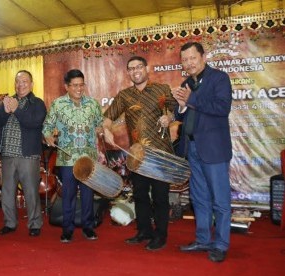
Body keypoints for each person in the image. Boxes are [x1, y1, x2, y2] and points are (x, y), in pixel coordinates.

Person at [103, 56, 177, 251]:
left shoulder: (162, 89)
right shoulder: (124, 95)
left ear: (146, 68)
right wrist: (107, 130)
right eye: (131, 68)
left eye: (139, 67)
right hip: (137, 155)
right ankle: (144, 231)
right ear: (128, 73)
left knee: (160, 197)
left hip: (160, 154)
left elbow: (176, 111)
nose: (135, 71)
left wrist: (168, 118)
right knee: (141, 195)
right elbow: (108, 117)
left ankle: (160, 235)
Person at [173, 42, 232, 262]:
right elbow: (181, 115)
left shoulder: (219, 78)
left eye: (192, 58)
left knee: (220, 199)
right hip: (192, 148)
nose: (188, 63)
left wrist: (191, 99)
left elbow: (222, 108)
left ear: (203, 57)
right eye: (184, 60)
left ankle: (221, 244)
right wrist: (180, 106)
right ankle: (203, 239)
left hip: (214, 149)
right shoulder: (186, 83)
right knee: (198, 198)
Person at [43, 69, 103, 243]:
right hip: (67, 158)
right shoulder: (57, 104)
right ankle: (67, 229)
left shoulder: (93, 104)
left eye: (81, 85)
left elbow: (100, 122)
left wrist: (100, 130)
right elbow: (47, 126)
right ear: (66, 87)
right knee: (68, 195)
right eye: (75, 85)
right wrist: (48, 136)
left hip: (88, 159)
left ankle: (88, 227)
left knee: (87, 195)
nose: (79, 89)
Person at [0, 70, 46, 237]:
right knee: (7, 191)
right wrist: (5, 110)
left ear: (31, 84)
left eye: (24, 81)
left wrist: (16, 110)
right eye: (18, 81)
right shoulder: (8, 101)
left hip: (28, 155)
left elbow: (34, 122)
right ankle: (9, 223)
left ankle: (35, 224)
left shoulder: (37, 103)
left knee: (30, 191)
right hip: (7, 155)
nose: (20, 84)